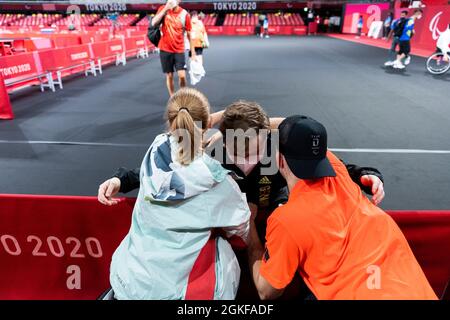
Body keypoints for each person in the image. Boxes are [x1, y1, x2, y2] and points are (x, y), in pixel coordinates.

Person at [99, 103, 386, 300]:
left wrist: (364, 174)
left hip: (275, 212)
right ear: (226, 140)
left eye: (258, 148)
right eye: (241, 152)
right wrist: (122, 180)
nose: (250, 159)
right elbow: (167, 170)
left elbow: (319, 155)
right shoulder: (211, 152)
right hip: (235, 224)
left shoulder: (275, 143)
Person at [246, 115, 438, 300]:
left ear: (279, 159)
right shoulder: (338, 171)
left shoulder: (286, 221)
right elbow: (302, 129)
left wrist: (250, 225)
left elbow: (267, 291)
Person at [108, 88, 251, 299]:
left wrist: (120, 179)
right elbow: (241, 232)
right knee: (226, 251)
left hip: (129, 279)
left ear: (171, 122)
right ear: (208, 125)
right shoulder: (219, 182)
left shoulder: (155, 148)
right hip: (180, 293)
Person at [151, 0, 196, 96]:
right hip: (165, 49)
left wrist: (193, 53)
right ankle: (172, 97)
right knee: (169, 75)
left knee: (182, 76)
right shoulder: (163, 9)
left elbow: (189, 34)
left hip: (179, 49)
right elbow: (154, 23)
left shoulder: (185, 14)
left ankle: (182, 96)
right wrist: (165, 9)